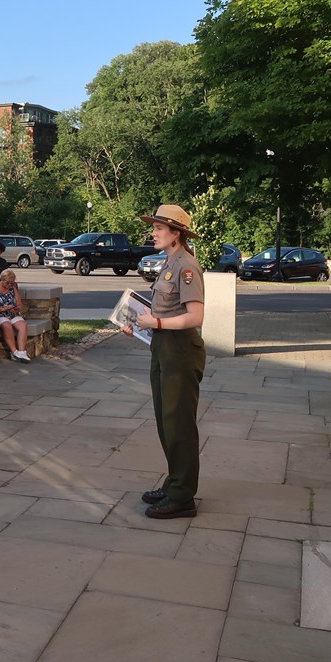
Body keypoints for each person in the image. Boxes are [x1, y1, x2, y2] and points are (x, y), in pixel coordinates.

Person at [125, 205, 206, 520]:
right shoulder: (169, 263)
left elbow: (195, 316)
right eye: (155, 227)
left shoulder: (187, 266)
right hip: (163, 348)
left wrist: (155, 324)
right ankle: (175, 481)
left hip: (180, 351)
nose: (154, 232)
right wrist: (137, 321)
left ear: (176, 232)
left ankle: (183, 496)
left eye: (159, 228)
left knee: (179, 424)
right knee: (165, 421)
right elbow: (163, 311)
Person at [0, 269, 30, 362]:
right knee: (7, 325)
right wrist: (3, 308)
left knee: (23, 325)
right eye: (7, 283)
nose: (9, 285)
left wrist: (17, 308)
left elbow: (20, 304)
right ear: (2, 280)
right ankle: (14, 352)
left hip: (11, 313)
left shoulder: (12, 288)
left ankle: (22, 351)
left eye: (11, 283)